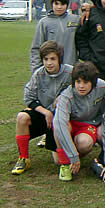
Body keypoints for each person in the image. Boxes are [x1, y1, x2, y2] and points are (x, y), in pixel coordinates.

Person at [11, 41, 73, 175]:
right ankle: (23, 158)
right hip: (44, 114)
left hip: (60, 117)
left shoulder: (70, 72)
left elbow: (81, 90)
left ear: (59, 59)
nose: (49, 63)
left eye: (52, 59)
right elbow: (28, 97)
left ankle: (66, 154)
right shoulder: (38, 74)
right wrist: (45, 112)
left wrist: (64, 97)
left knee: (57, 161)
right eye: (46, 59)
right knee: (22, 117)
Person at [53, 61, 105, 182]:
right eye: (78, 82)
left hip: (87, 126)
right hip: (70, 126)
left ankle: (72, 157)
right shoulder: (66, 96)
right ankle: (66, 163)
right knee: (58, 124)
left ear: (93, 83)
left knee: (85, 143)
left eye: (85, 82)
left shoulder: (101, 86)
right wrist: (73, 156)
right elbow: (60, 125)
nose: (81, 86)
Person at [30, 0, 80, 73]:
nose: (59, 7)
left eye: (62, 4)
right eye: (56, 4)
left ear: (67, 5)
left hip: (71, 69)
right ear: (51, 4)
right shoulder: (44, 23)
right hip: (51, 70)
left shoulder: (76, 20)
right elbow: (36, 48)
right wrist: (36, 70)